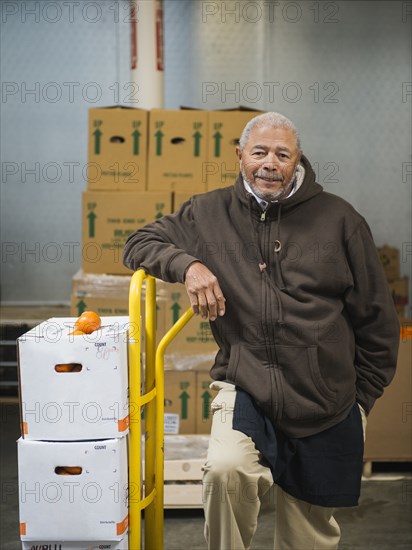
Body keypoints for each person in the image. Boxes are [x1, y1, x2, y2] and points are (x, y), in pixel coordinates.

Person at [123, 112, 400, 550]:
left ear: (296, 161)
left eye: (282, 154)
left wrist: (360, 399)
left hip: (325, 395)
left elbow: (377, 320)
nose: (270, 163)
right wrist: (189, 266)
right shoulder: (207, 212)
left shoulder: (340, 220)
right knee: (224, 471)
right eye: (260, 152)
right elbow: (138, 243)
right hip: (246, 382)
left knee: (308, 533)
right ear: (240, 156)